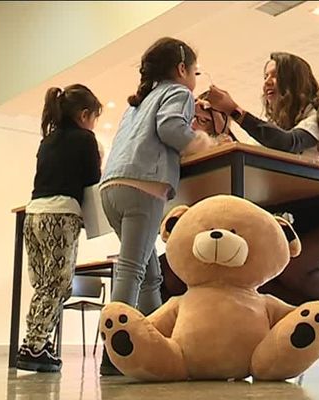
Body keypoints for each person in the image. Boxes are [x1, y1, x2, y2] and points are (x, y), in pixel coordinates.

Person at [207, 52, 319, 368]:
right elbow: (270, 155)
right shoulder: (284, 123)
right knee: (264, 276)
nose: (267, 82)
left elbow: (287, 144)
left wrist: (235, 110)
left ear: (294, 80)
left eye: (274, 75)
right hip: (306, 213)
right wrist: (224, 130)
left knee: (286, 268)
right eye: (265, 77)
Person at [99, 37, 216, 375]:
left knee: (151, 276)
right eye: (195, 71)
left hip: (112, 189)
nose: (195, 77)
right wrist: (201, 141)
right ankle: (114, 353)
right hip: (143, 188)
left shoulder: (137, 104)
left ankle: (163, 341)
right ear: (182, 69)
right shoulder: (179, 93)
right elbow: (170, 128)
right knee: (132, 270)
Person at [17, 84, 103, 372]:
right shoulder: (85, 139)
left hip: (34, 214)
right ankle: (34, 346)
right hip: (61, 217)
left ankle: (37, 343)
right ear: (84, 114)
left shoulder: (48, 140)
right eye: (94, 117)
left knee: (44, 285)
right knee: (58, 286)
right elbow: (93, 178)